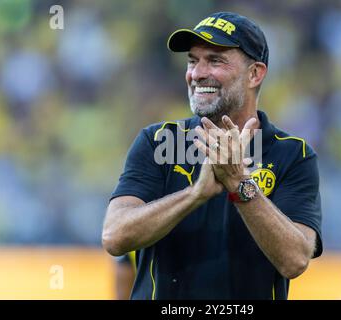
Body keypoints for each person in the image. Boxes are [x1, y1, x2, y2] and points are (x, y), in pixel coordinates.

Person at [102, 12, 322, 300]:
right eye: (193, 61)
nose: (197, 73)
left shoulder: (292, 154)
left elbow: (295, 260)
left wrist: (240, 185)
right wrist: (195, 194)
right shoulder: (157, 142)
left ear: (255, 73)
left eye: (215, 60)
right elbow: (114, 236)